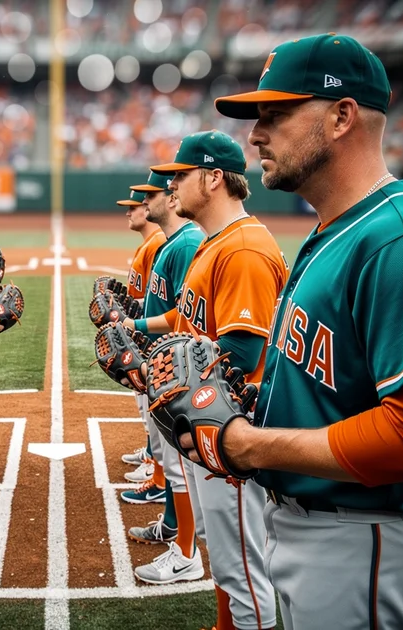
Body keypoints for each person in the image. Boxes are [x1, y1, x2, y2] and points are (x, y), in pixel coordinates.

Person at [201, 33, 403, 629]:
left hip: (372, 545)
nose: (255, 133)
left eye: (275, 114)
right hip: (329, 533)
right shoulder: (342, 229)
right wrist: (254, 407)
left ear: (340, 116)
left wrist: (246, 444)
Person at [126, 130, 284, 630]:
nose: (171, 187)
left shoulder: (243, 250)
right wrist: (147, 355)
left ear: (214, 178)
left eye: (181, 176)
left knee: (243, 569)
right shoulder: (214, 243)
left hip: (229, 428)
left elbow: (241, 353)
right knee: (223, 552)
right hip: (201, 422)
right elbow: (187, 324)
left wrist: (164, 376)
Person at [120, 170, 206, 584]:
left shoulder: (185, 243)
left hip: (177, 371)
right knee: (174, 465)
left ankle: (185, 552)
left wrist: (137, 327)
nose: (143, 200)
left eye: (150, 195)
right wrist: (135, 325)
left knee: (179, 467)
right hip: (163, 364)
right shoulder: (175, 243)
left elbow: (185, 318)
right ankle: (175, 530)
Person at [115, 187, 166, 487]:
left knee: (151, 407)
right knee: (145, 406)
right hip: (143, 336)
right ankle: (151, 453)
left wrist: (136, 325)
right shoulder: (149, 244)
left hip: (151, 340)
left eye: (134, 206)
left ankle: (153, 462)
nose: (129, 211)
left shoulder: (157, 243)